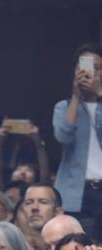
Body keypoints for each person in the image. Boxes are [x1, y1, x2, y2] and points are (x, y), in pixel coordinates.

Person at [50, 43, 102, 231]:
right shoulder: (63, 107)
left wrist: (99, 93)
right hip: (75, 193)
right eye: (86, 66)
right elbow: (63, 136)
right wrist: (75, 95)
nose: (92, 73)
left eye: (97, 67)